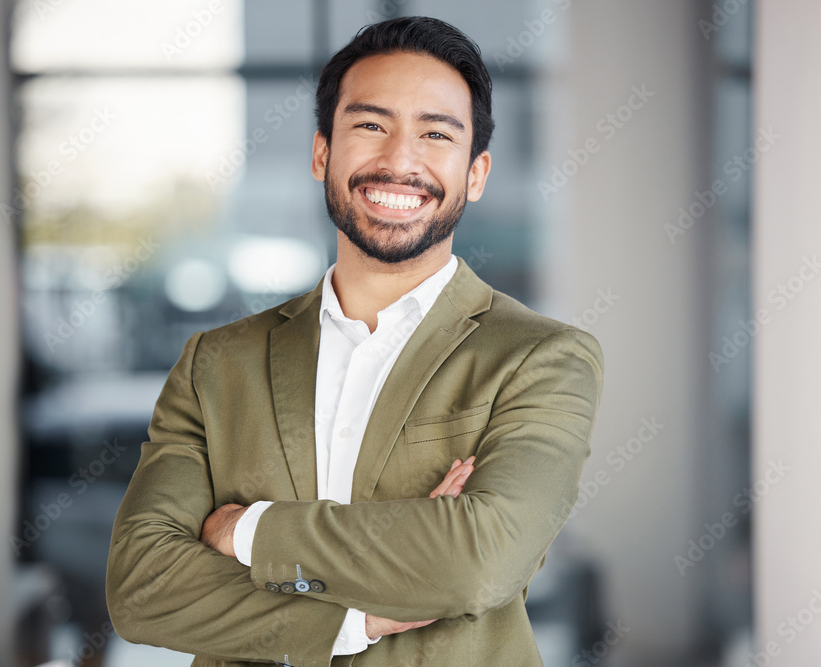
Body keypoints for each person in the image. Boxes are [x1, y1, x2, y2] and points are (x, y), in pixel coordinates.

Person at [106, 15, 603, 667]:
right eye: (371, 126)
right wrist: (358, 615)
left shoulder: (541, 358)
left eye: (435, 133)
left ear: (476, 172)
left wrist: (245, 529)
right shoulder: (216, 365)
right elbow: (142, 588)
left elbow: (479, 559)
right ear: (322, 153)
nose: (400, 160)